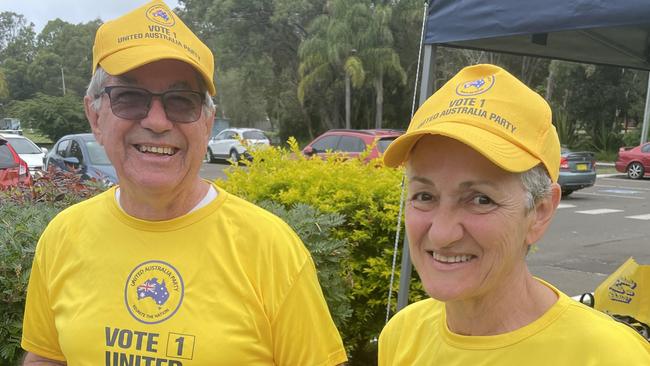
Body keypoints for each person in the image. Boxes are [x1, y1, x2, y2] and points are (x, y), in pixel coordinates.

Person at [21, 1, 347, 365]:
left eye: (181, 101)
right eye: (129, 98)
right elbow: (46, 357)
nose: (158, 121)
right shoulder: (63, 236)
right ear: (94, 115)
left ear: (207, 122)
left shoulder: (271, 249)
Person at [378, 64, 650, 365]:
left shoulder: (610, 356)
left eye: (481, 199)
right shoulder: (403, 334)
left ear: (540, 211)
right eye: (424, 196)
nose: (442, 234)